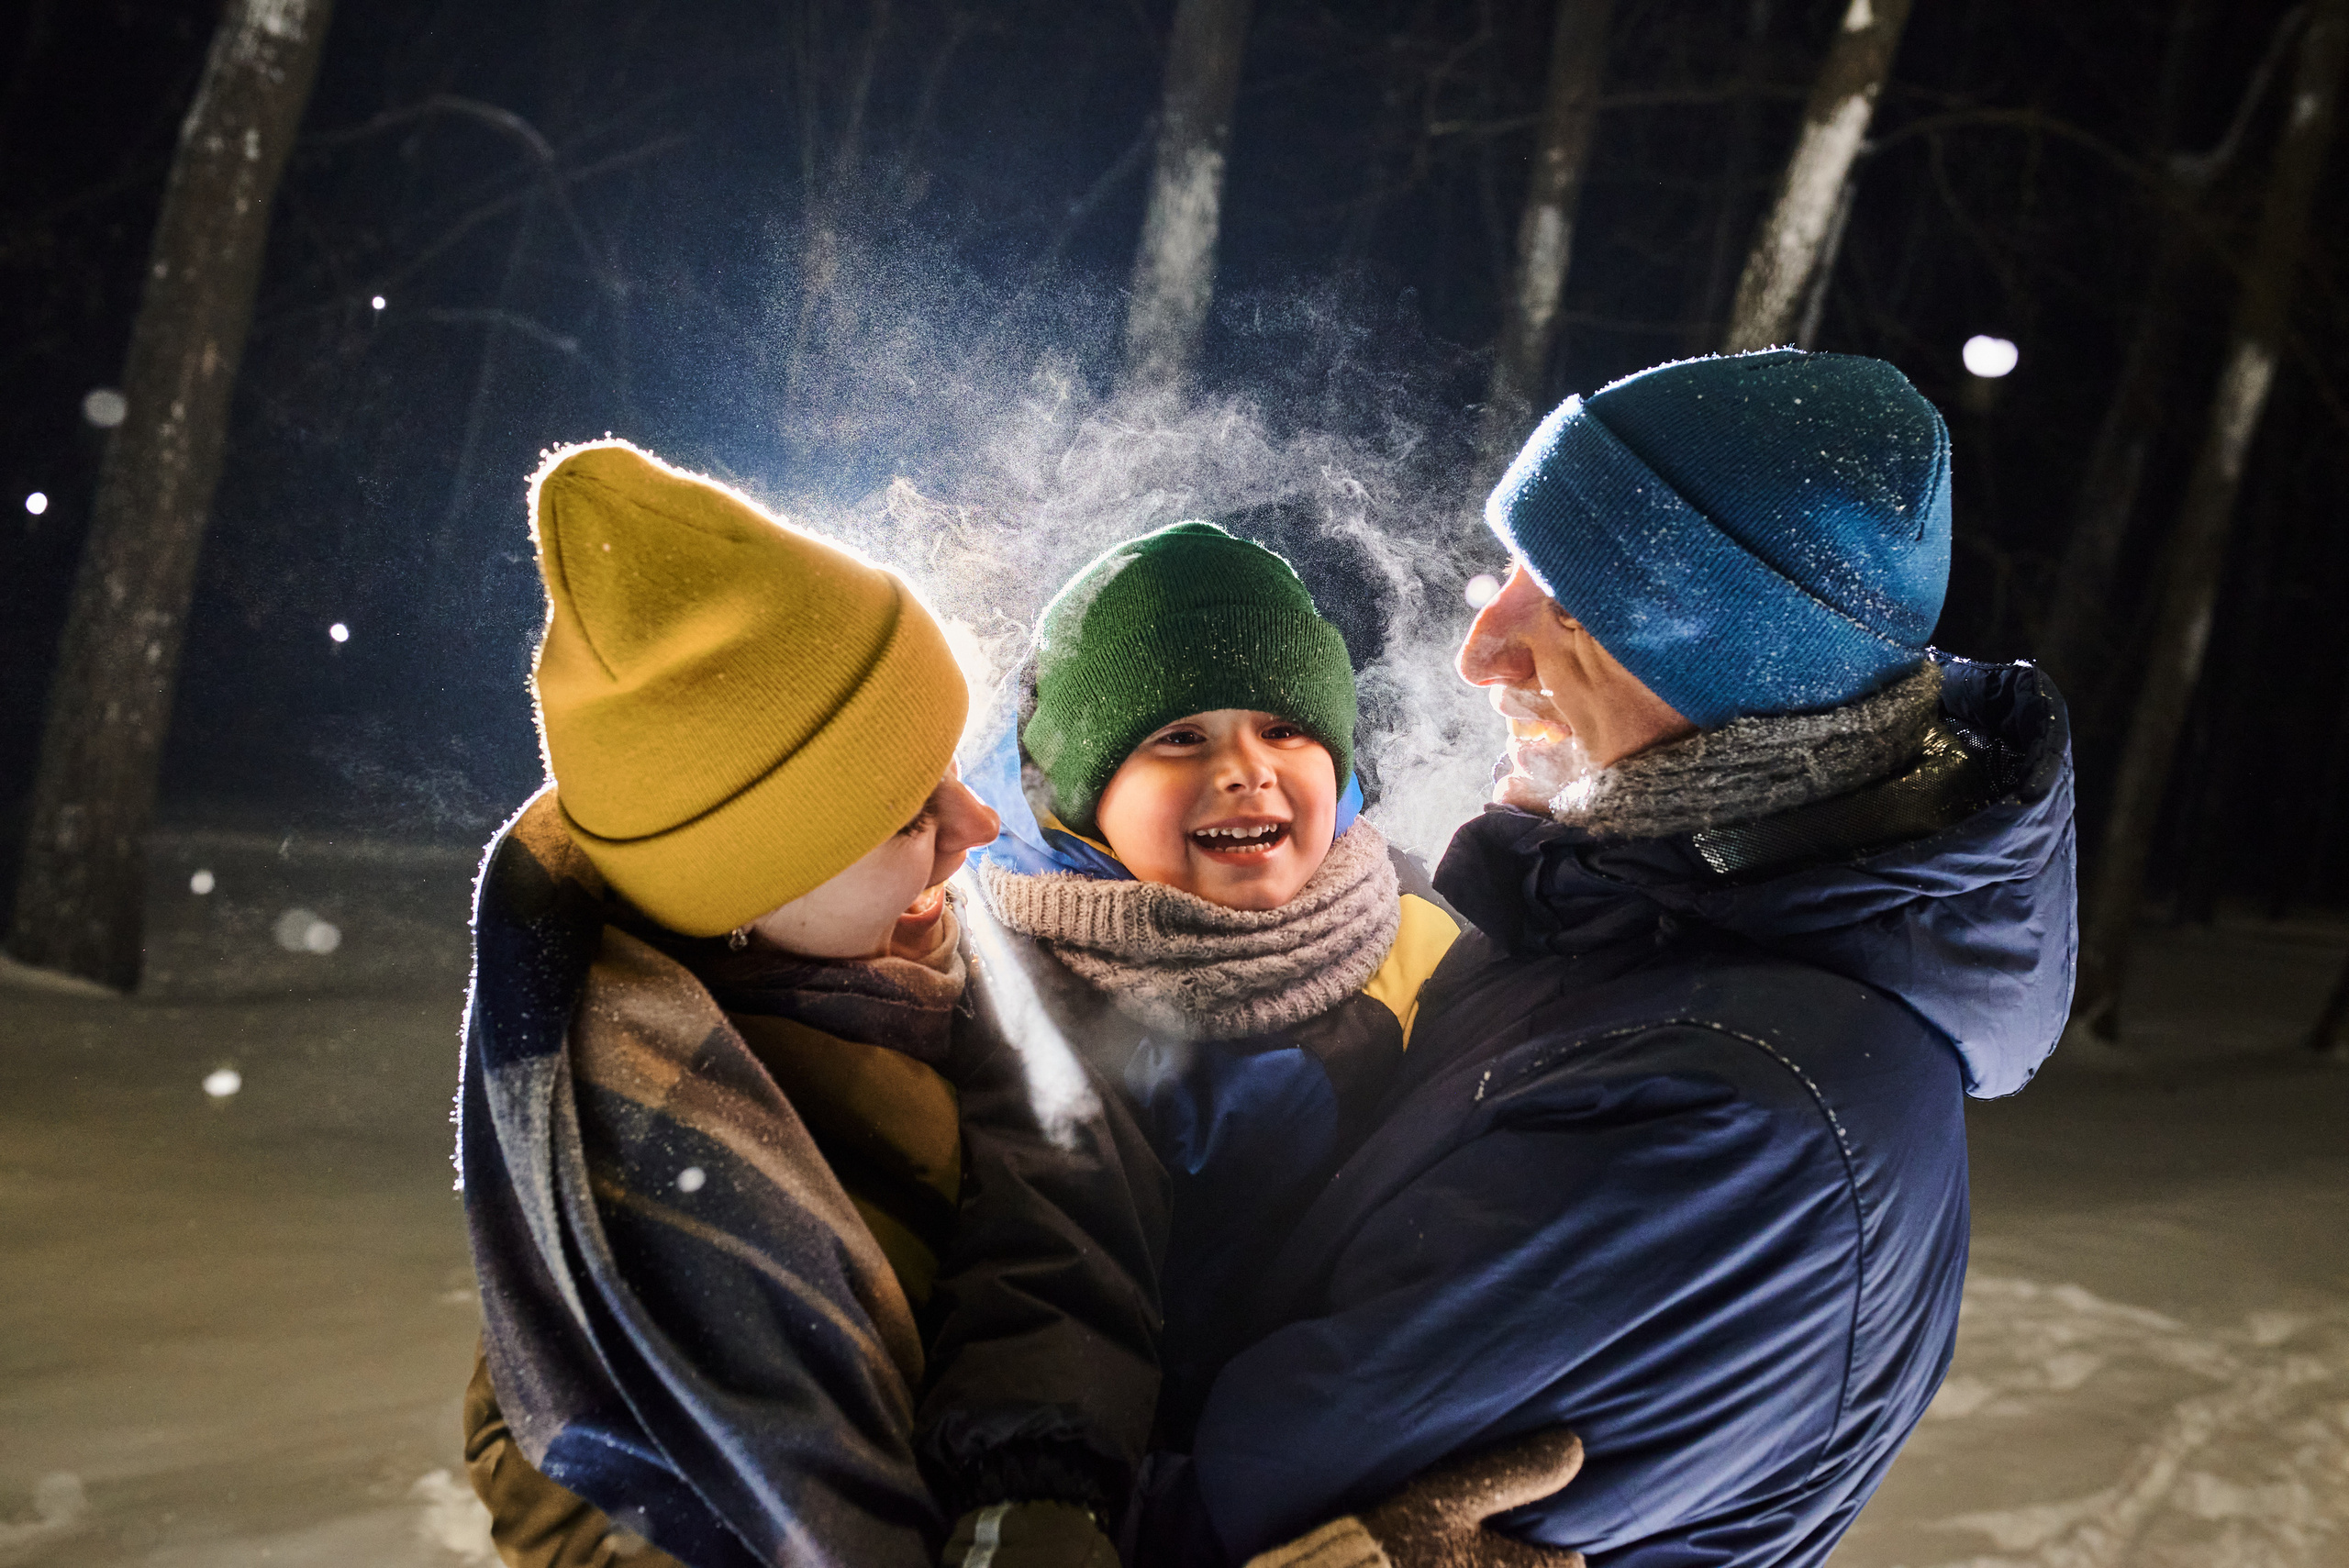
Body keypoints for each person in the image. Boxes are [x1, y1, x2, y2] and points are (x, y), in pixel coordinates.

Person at [1185, 349, 2077, 1568]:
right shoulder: (1637, 936)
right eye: (1502, 574)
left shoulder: (1727, 1104)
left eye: (1570, 609)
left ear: (1724, 675)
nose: (1482, 653)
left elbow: (1223, 1490)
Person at [456, 441, 1166, 1568]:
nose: (976, 826)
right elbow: (581, 1484)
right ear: (746, 893)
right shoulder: (632, 1175)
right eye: (903, 818)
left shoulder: (945, 994)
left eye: (949, 769)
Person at [961, 521, 1464, 1462]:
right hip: (1081, 1448)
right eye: (1179, 736)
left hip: (1302, 1447)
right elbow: (1033, 1260)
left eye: (1284, 729)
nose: (1244, 768)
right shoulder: (996, 965)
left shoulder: (1424, 945)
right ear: (1076, 798)